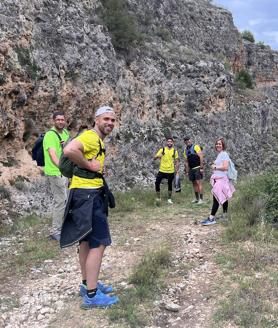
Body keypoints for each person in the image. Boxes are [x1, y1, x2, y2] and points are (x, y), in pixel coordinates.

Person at [60, 106, 119, 309]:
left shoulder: (95, 139)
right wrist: (89, 165)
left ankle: (87, 285)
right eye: (106, 119)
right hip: (88, 196)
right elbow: (69, 150)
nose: (110, 123)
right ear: (96, 119)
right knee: (99, 242)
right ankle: (92, 296)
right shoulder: (91, 137)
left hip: (81, 193)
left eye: (113, 120)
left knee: (85, 241)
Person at [43, 111, 70, 241]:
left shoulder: (65, 133)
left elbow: (68, 150)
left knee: (66, 199)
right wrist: (63, 168)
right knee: (61, 200)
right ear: (53, 121)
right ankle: (55, 231)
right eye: (58, 119)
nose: (60, 121)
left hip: (64, 173)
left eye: (62, 119)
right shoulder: (50, 135)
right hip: (55, 172)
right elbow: (53, 155)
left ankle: (63, 226)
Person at [201, 138, 235, 226]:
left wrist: (215, 167)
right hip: (220, 179)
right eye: (217, 144)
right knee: (224, 197)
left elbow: (225, 167)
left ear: (223, 145)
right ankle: (225, 215)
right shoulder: (220, 154)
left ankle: (211, 218)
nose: (218, 145)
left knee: (215, 199)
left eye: (220, 144)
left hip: (221, 180)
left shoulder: (224, 154)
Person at [154, 137, 179, 204]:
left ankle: (169, 199)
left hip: (170, 171)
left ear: (172, 143)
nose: (169, 143)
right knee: (157, 183)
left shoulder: (174, 151)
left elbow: (176, 162)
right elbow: (154, 158)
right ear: (166, 142)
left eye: (171, 141)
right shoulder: (162, 150)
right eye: (168, 141)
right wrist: (160, 155)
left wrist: (177, 171)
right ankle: (158, 198)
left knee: (170, 185)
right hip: (162, 170)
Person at [183, 136, 204, 204]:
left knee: (198, 183)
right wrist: (186, 171)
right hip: (191, 169)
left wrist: (201, 167)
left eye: (188, 140)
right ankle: (196, 198)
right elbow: (186, 162)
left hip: (197, 168)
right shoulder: (185, 150)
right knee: (194, 184)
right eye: (186, 140)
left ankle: (201, 199)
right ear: (184, 142)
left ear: (190, 140)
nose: (187, 141)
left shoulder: (196, 147)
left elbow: (201, 156)